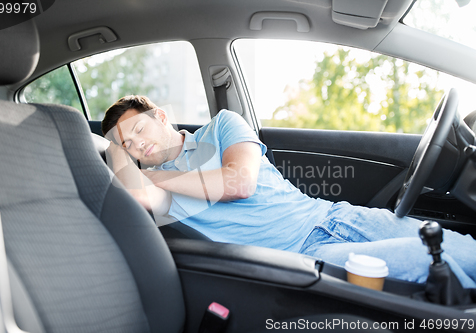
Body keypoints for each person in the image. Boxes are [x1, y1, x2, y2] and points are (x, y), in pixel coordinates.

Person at [102, 95, 476, 288]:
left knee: (463, 249)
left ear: (161, 117)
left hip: (332, 219)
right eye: (127, 145)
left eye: (139, 130)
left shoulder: (221, 127)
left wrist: (155, 178)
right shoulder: (145, 185)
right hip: (303, 257)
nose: (137, 145)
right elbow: (132, 194)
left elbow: (239, 182)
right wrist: (112, 148)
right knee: (438, 262)